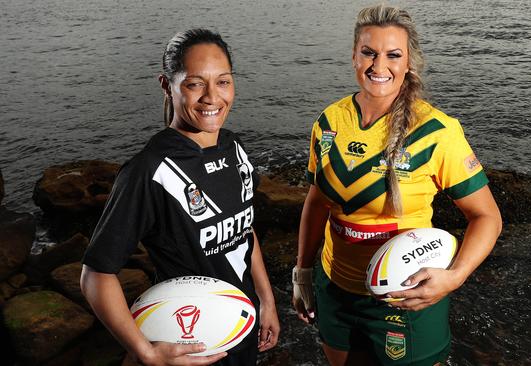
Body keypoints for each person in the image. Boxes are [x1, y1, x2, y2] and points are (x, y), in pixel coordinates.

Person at [292, 5, 502, 366]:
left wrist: (454, 277)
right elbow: (317, 202)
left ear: (409, 62)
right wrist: (303, 273)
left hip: (407, 296)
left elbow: (487, 217)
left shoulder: (437, 132)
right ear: (354, 55)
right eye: (368, 52)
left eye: (393, 55)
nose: (378, 66)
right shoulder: (328, 122)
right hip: (335, 290)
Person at [80, 29, 279, 366]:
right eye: (194, 83)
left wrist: (266, 301)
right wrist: (146, 351)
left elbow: (243, 232)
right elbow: (95, 275)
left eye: (223, 81)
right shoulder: (150, 170)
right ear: (166, 85)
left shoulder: (234, 148)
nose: (212, 97)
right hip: (189, 345)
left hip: (240, 327)